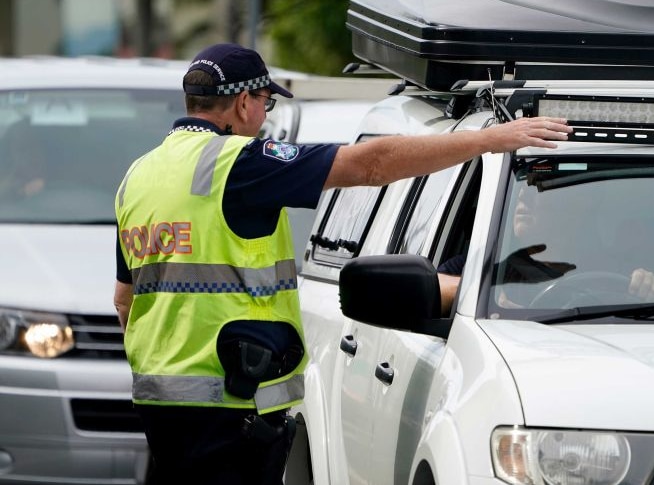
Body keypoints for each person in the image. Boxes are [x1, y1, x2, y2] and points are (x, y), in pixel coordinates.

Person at [112, 43, 571, 484]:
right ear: (242, 102)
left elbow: (125, 300)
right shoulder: (236, 163)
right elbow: (368, 167)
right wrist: (488, 140)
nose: (262, 118)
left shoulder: (139, 176)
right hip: (232, 405)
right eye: (266, 103)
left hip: (160, 407)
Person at [437, 183, 654, 313]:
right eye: (521, 185)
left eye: (539, 185)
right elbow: (430, 288)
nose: (523, 194)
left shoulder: (620, 276)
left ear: (580, 204)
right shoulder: (481, 268)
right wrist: (482, 294)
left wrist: (652, 292)